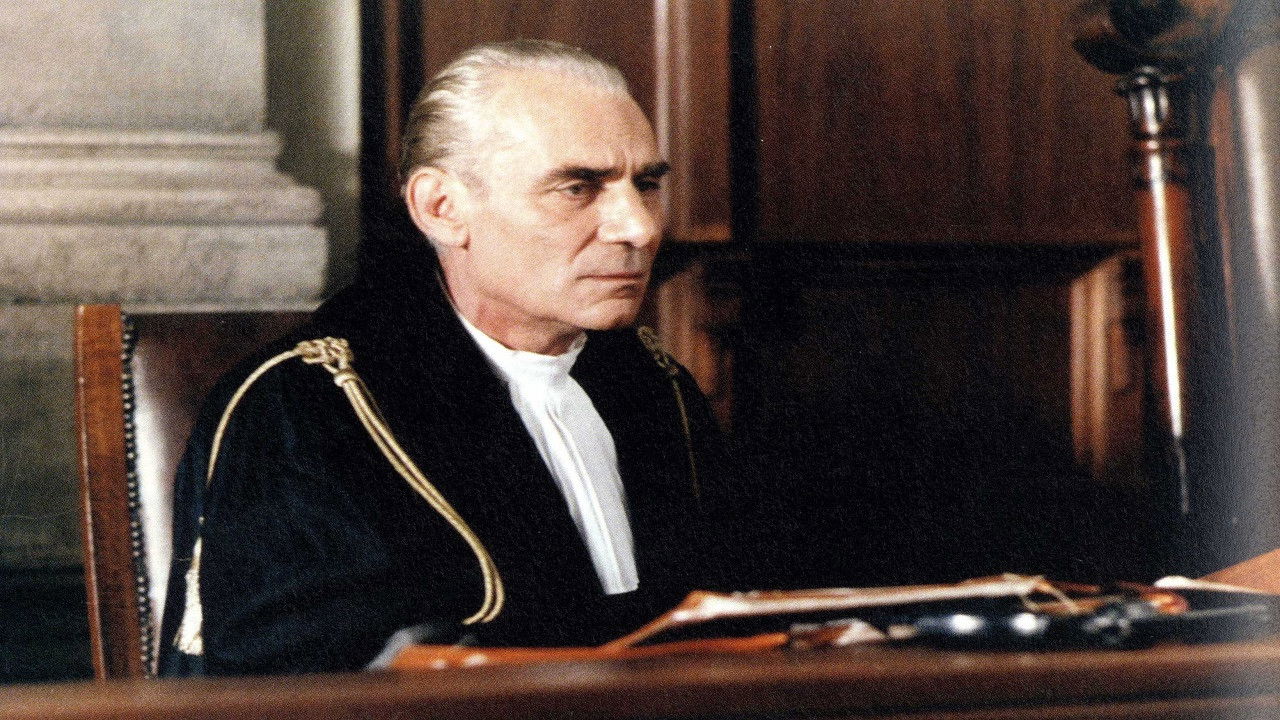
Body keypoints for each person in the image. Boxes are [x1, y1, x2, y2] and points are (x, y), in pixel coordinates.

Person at [156, 40, 730, 676]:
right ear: (441, 208)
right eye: (577, 188)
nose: (639, 227)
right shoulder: (305, 409)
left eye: (646, 185)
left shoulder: (655, 384)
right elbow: (302, 684)